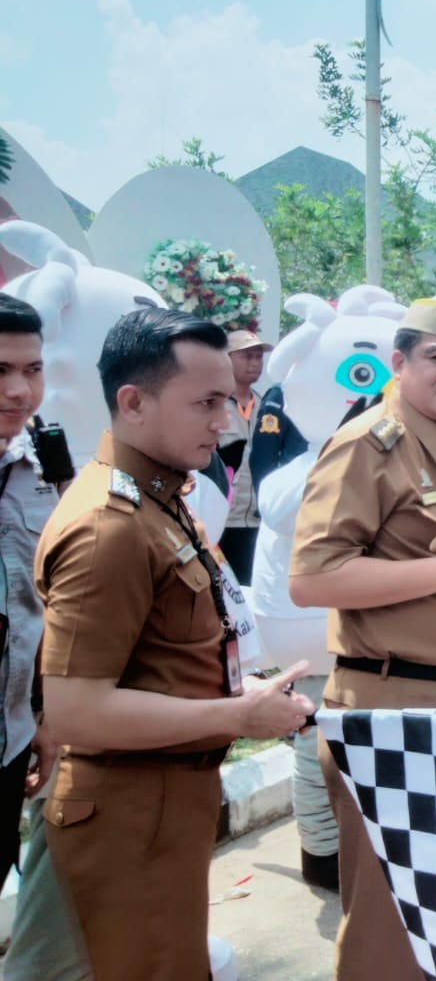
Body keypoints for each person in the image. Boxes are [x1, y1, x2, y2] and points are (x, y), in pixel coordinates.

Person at [36, 307, 311, 981]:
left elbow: (158, 658)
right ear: (133, 401)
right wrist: (237, 716)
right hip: (129, 813)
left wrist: (234, 695)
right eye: (208, 402)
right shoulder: (111, 525)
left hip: (164, 804)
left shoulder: (159, 497)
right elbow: (74, 708)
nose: (227, 419)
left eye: (228, 399)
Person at [290, 284, 436, 979]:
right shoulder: (369, 445)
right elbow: (314, 577)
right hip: (392, 713)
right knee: (388, 932)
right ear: (398, 362)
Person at [0, 296, 58, 882]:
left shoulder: (41, 470)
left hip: (12, 739)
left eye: (32, 370)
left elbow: (41, 609)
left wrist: (42, 716)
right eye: (0, 371)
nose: (20, 391)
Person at [218, 328, 271, 584]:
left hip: (254, 523)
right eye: (247, 356)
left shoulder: (266, 407)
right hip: (220, 520)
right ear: (226, 358)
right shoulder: (213, 405)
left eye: (259, 356)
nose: (255, 363)